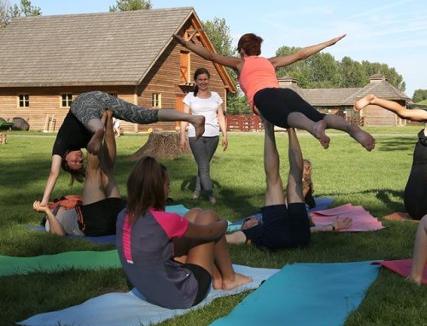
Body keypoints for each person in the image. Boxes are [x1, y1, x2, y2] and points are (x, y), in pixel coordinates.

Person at [173, 32, 375, 151]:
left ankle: (314, 129)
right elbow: (300, 54)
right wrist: (327, 43)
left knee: (286, 118)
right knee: (319, 115)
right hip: (284, 92)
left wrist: (186, 44)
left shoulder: (239, 63)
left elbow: (210, 55)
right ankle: (353, 130)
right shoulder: (270, 62)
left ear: (242, 50)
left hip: (264, 96)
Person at [115, 156, 251, 309]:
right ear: (157, 189)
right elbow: (210, 232)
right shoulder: (165, 220)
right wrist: (224, 223)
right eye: (168, 185)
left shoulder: (123, 216)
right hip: (184, 294)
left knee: (195, 212)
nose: (169, 189)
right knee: (209, 217)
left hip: (152, 290)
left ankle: (218, 278)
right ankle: (229, 278)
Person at [40, 91, 205, 205]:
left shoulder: (61, 144)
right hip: (102, 100)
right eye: (80, 162)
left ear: (65, 160)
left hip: (83, 101)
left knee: (94, 124)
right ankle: (193, 118)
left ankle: (99, 129)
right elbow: (109, 162)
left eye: (74, 162)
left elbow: (53, 173)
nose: (79, 158)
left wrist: (44, 201)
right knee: (145, 115)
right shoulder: (89, 145)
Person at [225, 121, 351, 249]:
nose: (251, 220)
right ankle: (282, 126)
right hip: (287, 237)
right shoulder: (252, 232)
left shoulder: (252, 232)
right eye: (249, 221)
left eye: (248, 220)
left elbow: (229, 238)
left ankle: (281, 127)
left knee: (281, 181)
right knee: (279, 181)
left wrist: (332, 227)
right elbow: (231, 238)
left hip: (293, 237)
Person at [33, 110, 126, 236]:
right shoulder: (49, 221)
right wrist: (47, 212)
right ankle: (102, 123)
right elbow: (59, 235)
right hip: (95, 223)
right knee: (93, 172)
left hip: (115, 220)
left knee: (107, 170)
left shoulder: (65, 209)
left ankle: (108, 119)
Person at [180, 68, 228, 205]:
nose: (203, 82)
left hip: (213, 136)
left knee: (203, 165)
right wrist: (182, 136)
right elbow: (184, 117)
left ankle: (197, 191)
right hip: (196, 136)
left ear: (209, 80)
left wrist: (225, 135)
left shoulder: (216, 96)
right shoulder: (190, 96)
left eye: (205, 79)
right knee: (204, 166)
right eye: (200, 79)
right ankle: (210, 194)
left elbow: (220, 116)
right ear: (196, 81)